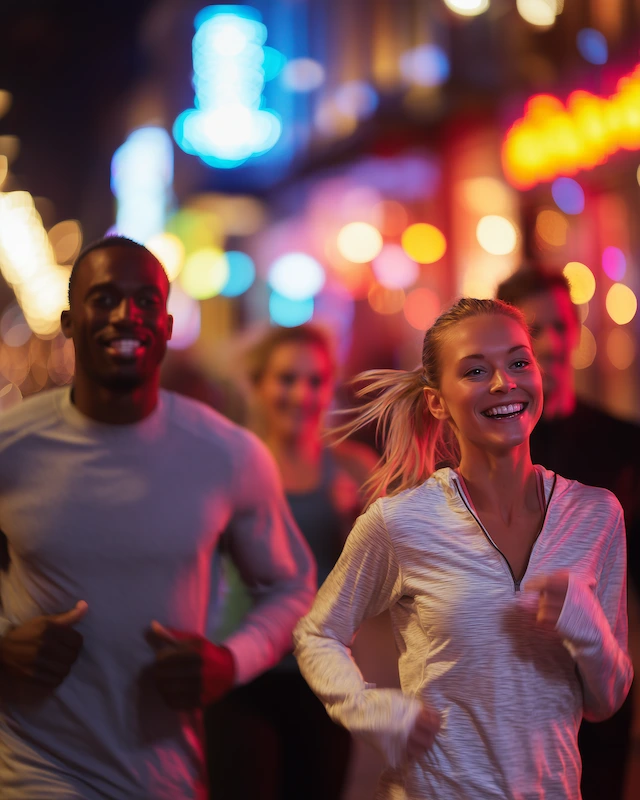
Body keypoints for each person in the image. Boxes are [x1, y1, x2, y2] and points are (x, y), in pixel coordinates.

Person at [0, 236, 315, 800]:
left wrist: (230, 662)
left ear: (166, 325)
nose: (127, 315)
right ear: (69, 322)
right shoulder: (11, 447)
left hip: (165, 777)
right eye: (104, 299)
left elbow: (292, 586)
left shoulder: (228, 454)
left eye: (146, 302)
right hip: (34, 769)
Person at [294, 297, 632, 800]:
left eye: (519, 363)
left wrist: (588, 629)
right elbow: (316, 634)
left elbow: (607, 700)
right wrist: (368, 708)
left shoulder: (597, 515)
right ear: (437, 401)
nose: (503, 383)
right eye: (476, 370)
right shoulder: (401, 521)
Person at [207, 323, 378, 800]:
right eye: (286, 379)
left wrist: (354, 524)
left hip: (323, 678)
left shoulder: (353, 469)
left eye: (315, 380)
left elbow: (388, 589)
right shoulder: (228, 467)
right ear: (257, 384)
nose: (301, 394)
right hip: (241, 673)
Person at [497, 266, 640, 800]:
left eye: (561, 326)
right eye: (537, 330)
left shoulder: (623, 445)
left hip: (595, 683)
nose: (554, 343)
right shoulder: (487, 448)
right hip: (508, 688)